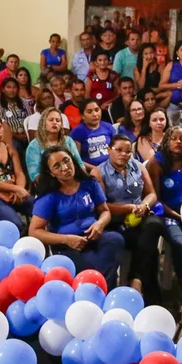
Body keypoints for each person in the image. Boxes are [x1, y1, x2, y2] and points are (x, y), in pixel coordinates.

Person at [29, 146, 125, 287]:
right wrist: (66, 239)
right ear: (51, 173)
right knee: (95, 263)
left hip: (94, 236)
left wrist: (100, 224)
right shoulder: (49, 196)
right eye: (57, 166)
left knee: (115, 239)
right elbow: (34, 231)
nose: (65, 167)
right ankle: (103, 288)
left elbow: (105, 211)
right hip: (67, 245)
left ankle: (101, 287)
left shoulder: (89, 183)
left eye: (67, 161)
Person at [98, 135, 166, 304]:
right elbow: (101, 206)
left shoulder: (137, 166)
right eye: (119, 150)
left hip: (139, 217)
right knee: (149, 250)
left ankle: (135, 279)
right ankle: (151, 298)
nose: (124, 154)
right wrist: (128, 209)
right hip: (115, 222)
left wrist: (143, 205)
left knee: (155, 225)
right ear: (109, 150)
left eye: (128, 151)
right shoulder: (99, 172)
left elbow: (151, 194)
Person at [148, 126, 182, 274]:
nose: (178, 142)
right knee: (181, 246)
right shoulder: (156, 163)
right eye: (174, 138)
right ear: (167, 141)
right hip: (169, 214)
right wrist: (179, 216)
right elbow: (156, 198)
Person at [25, 108, 83, 183]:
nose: (55, 122)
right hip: (48, 184)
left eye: (58, 120)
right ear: (43, 123)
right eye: (51, 120)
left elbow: (80, 164)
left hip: (73, 180)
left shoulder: (68, 141)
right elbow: (35, 176)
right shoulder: (34, 146)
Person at [70, 99, 117, 168]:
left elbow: (117, 149)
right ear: (82, 116)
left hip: (111, 167)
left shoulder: (108, 127)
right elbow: (77, 160)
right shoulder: (77, 132)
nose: (95, 114)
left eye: (97, 110)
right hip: (90, 171)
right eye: (89, 112)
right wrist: (95, 169)